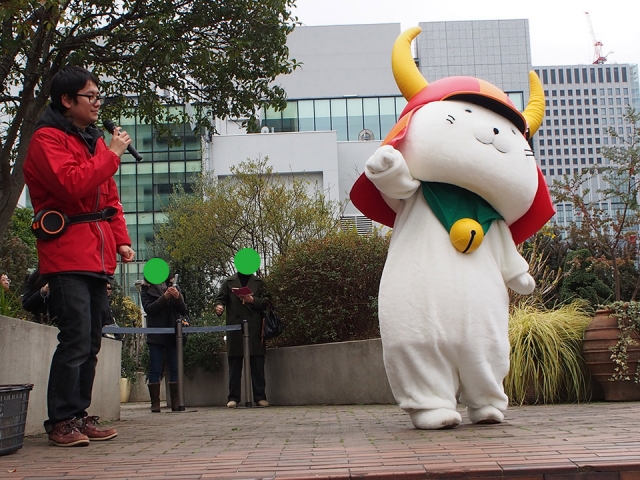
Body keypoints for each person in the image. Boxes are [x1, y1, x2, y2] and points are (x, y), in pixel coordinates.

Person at [23, 66, 135, 447]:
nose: (97, 103)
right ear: (67, 100)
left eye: (99, 96)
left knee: (91, 339)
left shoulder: (94, 142)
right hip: (66, 252)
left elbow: (110, 199)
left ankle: (78, 415)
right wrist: (112, 155)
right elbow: (72, 184)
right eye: (91, 96)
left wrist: (121, 240)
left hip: (97, 253)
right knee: (74, 336)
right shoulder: (46, 139)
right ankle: (60, 420)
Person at [214, 270, 269, 408]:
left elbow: (268, 302)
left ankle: (260, 397)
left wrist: (252, 300)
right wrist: (219, 306)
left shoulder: (259, 282)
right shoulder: (228, 282)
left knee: (257, 365)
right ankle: (234, 397)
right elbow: (220, 299)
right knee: (234, 366)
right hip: (235, 328)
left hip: (255, 327)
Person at [140, 272, 188, 412]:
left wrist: (178, 297)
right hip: (156, 334)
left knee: (175, 367)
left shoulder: (173, 286)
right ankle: (155, 403)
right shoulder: (146, 289)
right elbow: (149, 309)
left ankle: (175, 401)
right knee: (155, 368)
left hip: (173, 332)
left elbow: (183, 310)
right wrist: (164, 297)